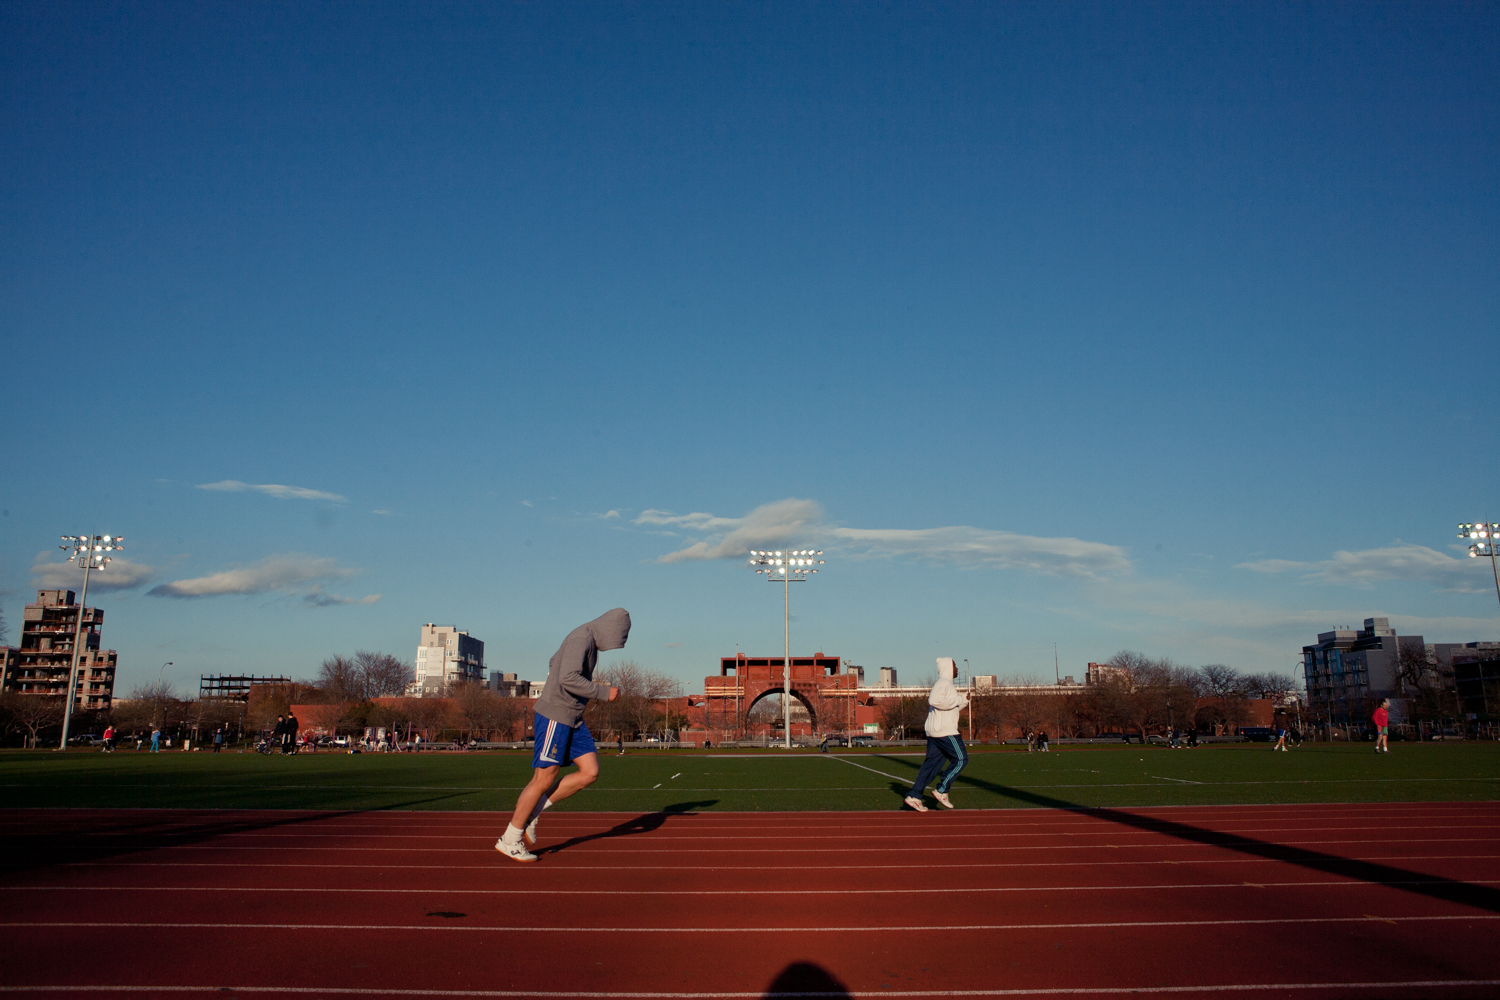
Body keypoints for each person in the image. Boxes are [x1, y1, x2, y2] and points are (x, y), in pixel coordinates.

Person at [496, 608, 629, 862]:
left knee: (590, 772)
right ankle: (510, 838)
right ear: (611, 631)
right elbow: (567, 676)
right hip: (556, 716)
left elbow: (553, 663)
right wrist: (602, 692)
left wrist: (568, 694)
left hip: (573, 718)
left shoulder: (587, 638)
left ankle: (534, 812)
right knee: (544, 779)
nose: (613, 646)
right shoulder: (582, 638)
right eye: (617, 640)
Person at [903, 657, 969, 812]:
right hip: (945, 731)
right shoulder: (944, 684)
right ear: (947, 668)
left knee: (931, 766)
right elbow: (934, 700)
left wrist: (963, 701)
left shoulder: (946, 685)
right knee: (961, 759)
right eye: (954, 666)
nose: (957, 669)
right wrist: (958, 699)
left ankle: (914, 796)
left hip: (935, 732)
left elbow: (948, 709)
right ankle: (942, 790)